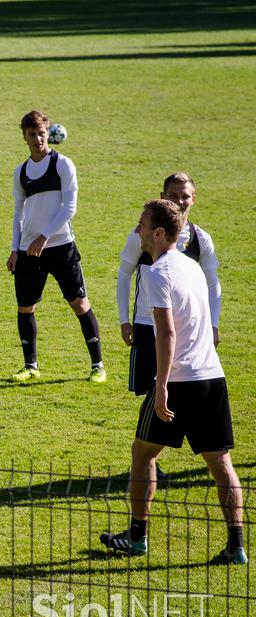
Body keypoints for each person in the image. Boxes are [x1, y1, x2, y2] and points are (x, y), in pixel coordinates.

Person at [100, 199, 245, 565]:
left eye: (142, 224)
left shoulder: (154, 273)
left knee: (142, 454)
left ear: (159, 233)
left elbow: (165, 333)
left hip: (178, 381)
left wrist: (161, 385)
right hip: (212, 376)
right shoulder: (192, 267)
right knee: (221, 464)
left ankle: (136, 537)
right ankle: (237, 546)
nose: (138, 230)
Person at [117, 172, 220, 480]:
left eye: (184, 195)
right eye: (173, 195)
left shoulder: (200, 240)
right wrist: (125, 319)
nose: (179, 200)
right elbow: (124, 274)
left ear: (193, 199)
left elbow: (213, 284)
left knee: (169, 391)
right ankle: (150, 459)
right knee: (151, 392)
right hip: (148, 327)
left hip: (184, 333)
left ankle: (148, 458)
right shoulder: (143, 235)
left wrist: (213, 323)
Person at [6, 110, 104, 383]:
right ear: (24, 137)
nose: (38, 139)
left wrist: (44, 237)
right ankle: (31, 366)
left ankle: (98, 365)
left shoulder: (62, 165)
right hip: (29, 251)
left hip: (61, 247)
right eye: (31, 134)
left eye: (41, 133)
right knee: (25, 307)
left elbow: (69, 207)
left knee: (79, 303)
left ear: (48, 133)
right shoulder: (21, 172)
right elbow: (18, 214)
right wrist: (15, 249)